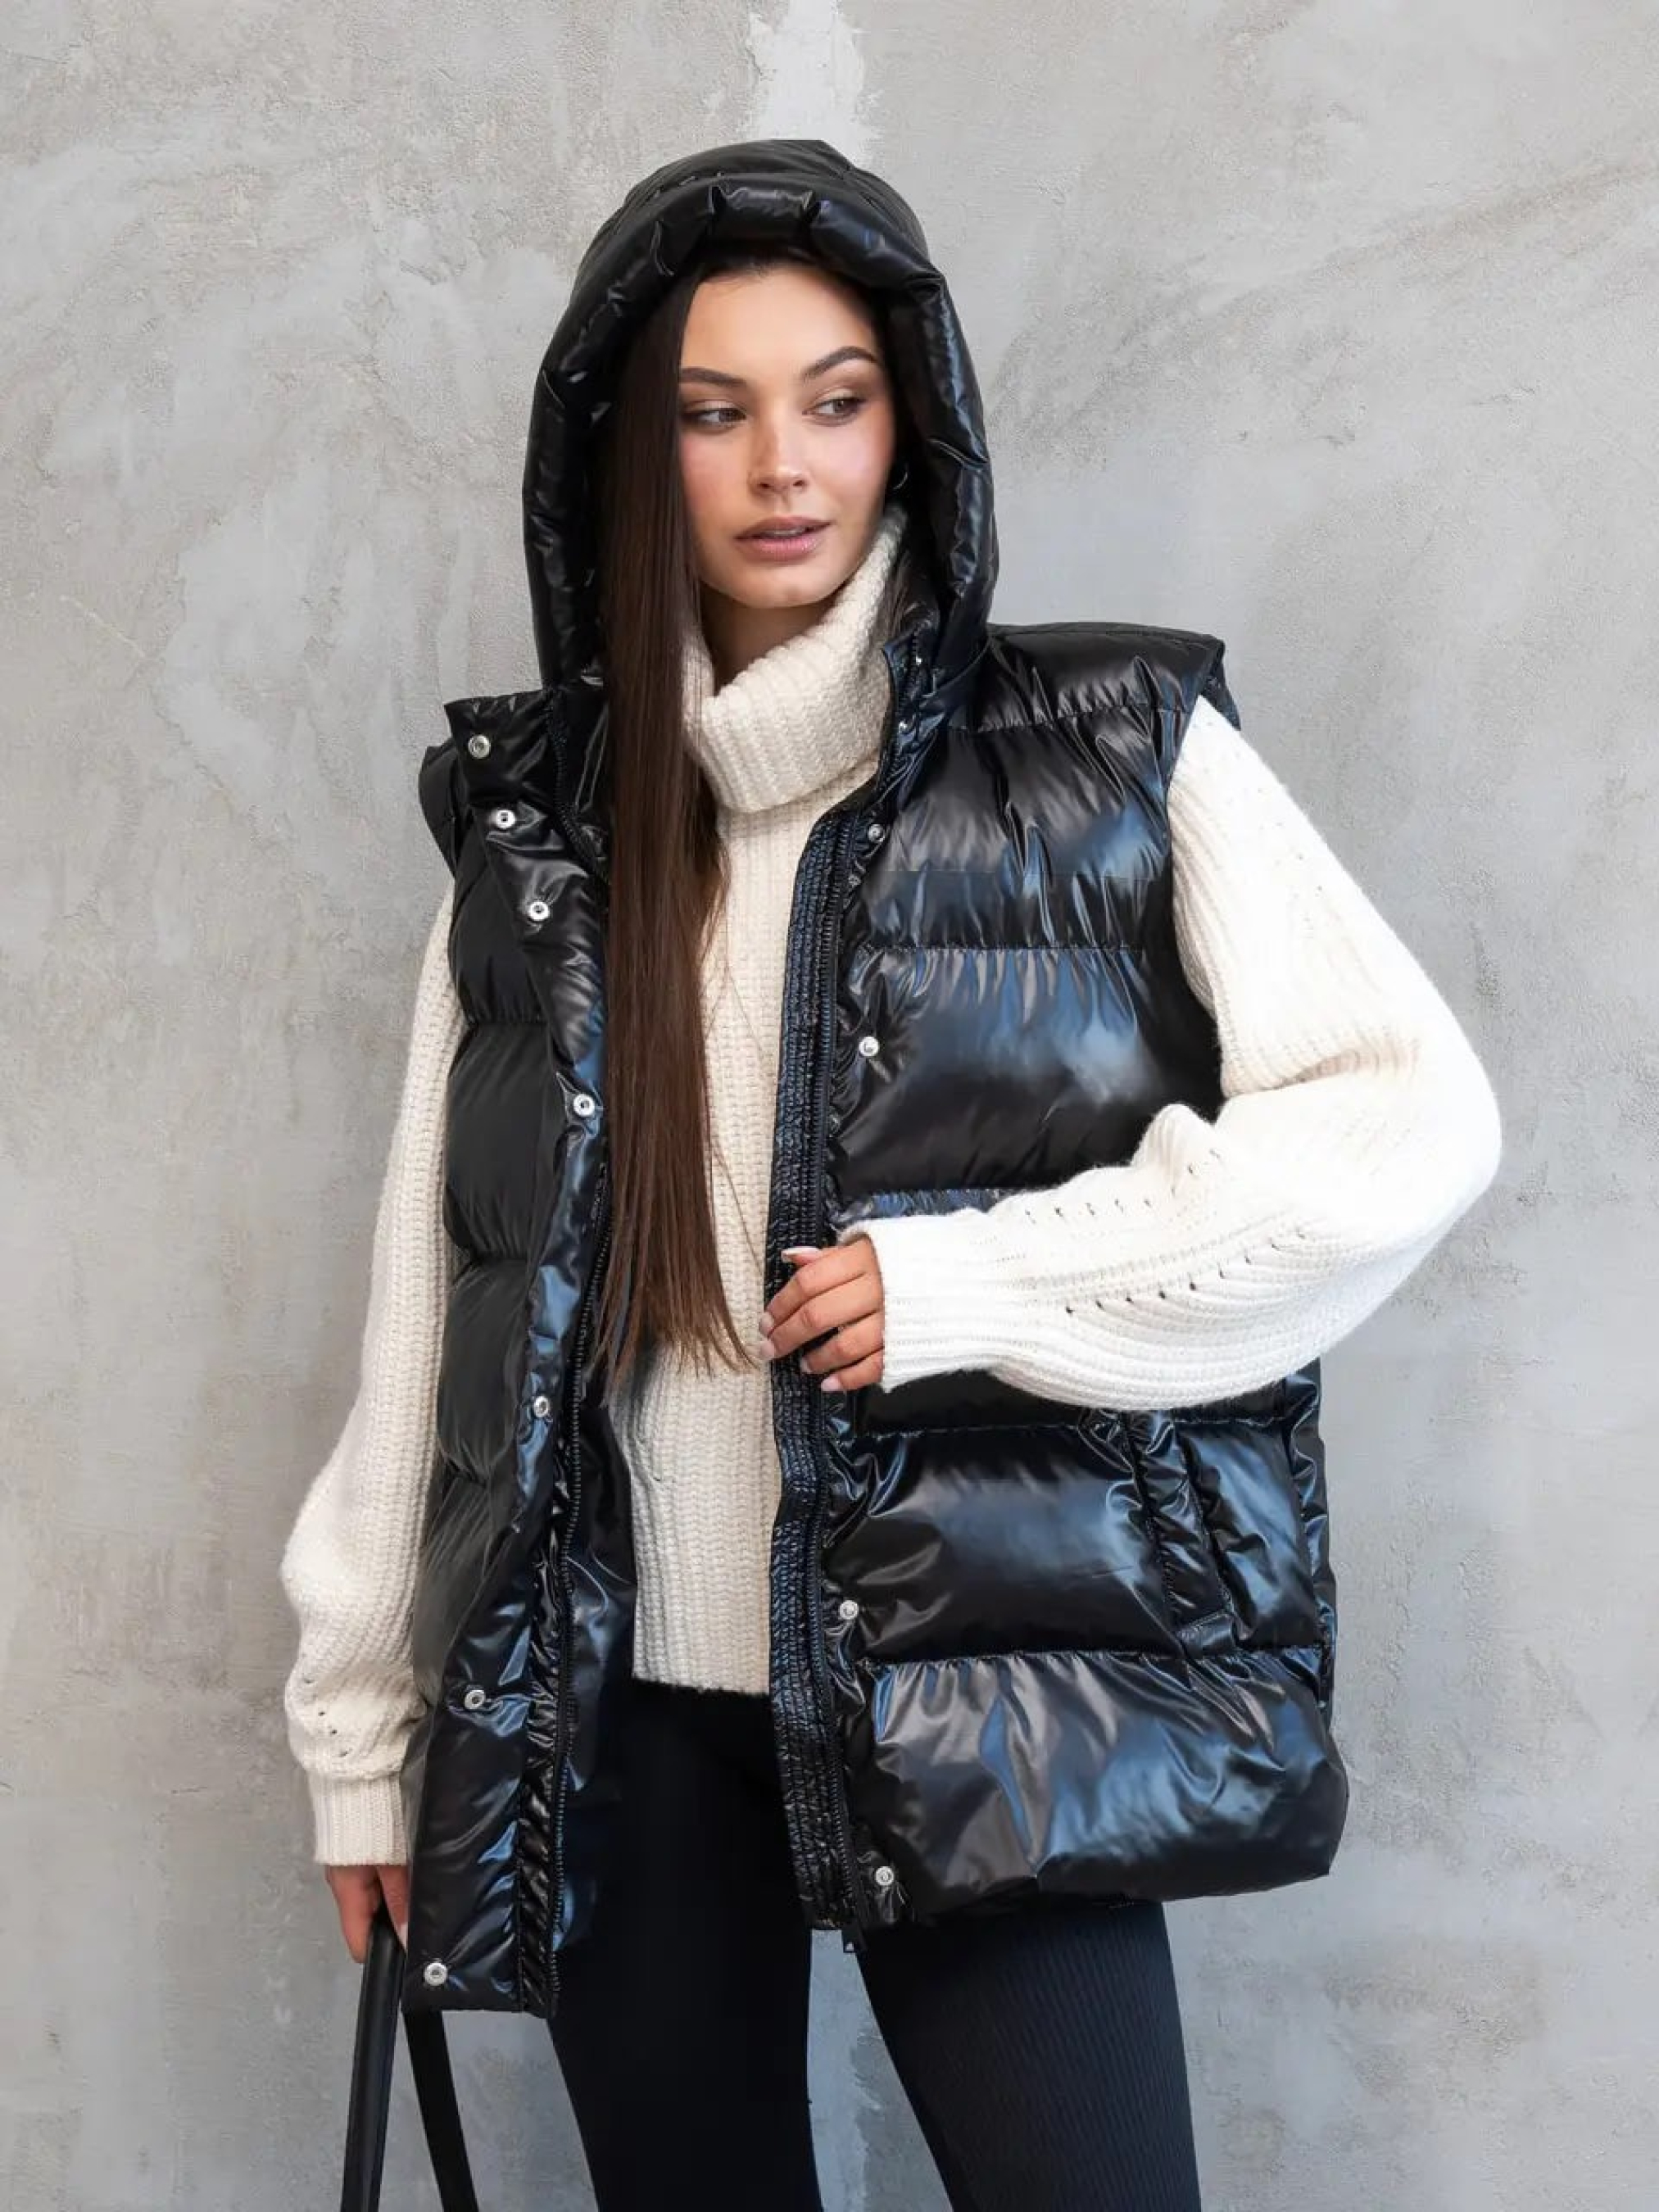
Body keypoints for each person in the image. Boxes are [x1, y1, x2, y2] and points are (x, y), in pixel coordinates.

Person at [279, 139, 1503, 2212]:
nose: (783, 464)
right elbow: (439, 1298)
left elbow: (1407, 1119)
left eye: (834, 399)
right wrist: (362, 1737)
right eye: (714, 409)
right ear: (634, 451)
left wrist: (984, 1287)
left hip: (995, 1681)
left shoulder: (1107, 747)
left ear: (909, 423)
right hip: (622, 1717)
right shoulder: (542, 829)